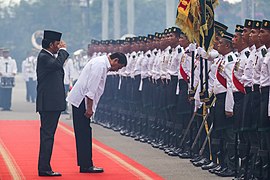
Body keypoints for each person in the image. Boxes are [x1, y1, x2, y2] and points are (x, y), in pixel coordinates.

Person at [66, 52, 127, 173]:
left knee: (83, 132)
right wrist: (89, 109)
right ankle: (86, 165)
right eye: (118, 67)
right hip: (82, 102)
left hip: (81, 100)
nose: (116, 71)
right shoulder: (100, 65)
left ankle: (85, 164)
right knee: (84, 133)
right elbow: (91, 90)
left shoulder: (101, 63)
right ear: (115, 60)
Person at [36, 30, 69, 176]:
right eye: (57, 44)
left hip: (52, 103)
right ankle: (44, 168)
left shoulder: (49, 56)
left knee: (49, 135)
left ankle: (45, 166)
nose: (59, 46)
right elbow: (57, 65)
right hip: (48, 103)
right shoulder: (44, 56)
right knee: (47, 136)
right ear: (51, 45)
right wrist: (63, 51)